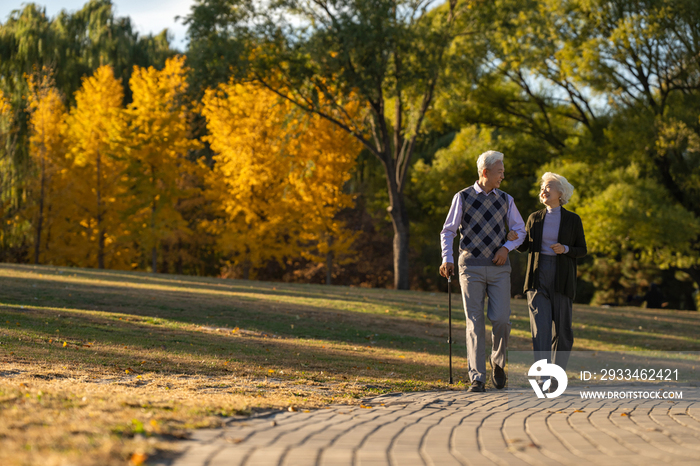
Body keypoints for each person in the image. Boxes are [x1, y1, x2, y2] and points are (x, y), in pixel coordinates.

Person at [439, 150, 525, 392]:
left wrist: (507, 248)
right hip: (470, 268)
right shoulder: (463, 197)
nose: (503, 176)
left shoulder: (506, 199)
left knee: (501, 321)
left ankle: (498, 362)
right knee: (474, 322)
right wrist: (448, 259)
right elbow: (448, 231)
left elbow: (521, 230)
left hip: (499, 268)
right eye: (500, 172)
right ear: (485, 172)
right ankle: (477, 377)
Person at [508, 172, 586, 393]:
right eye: (542, 186)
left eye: (549, 186)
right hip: (537, 279)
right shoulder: (534, 218)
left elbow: (583, 250)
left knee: (563, 331)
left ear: (561, 193)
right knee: (540, 330)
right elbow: (525, 247)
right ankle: (542, 378)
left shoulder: (573, 219)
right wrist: (515, 238)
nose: (544, 190)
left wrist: (566, 249)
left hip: (562, 279)